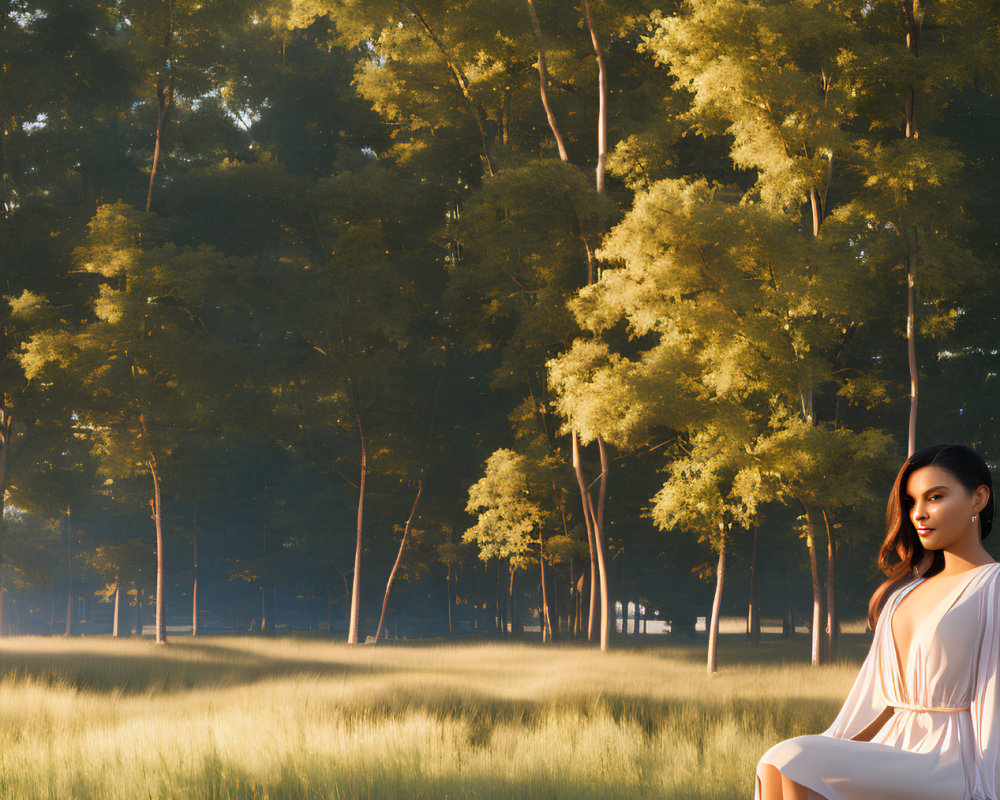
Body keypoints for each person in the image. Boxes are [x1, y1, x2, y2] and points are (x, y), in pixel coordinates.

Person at [755, 443, 1000, 800]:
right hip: (892, 745)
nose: (919, 513)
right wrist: (833, 746)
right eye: (911, 502)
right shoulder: (904, 593)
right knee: (776, 762)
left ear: (978, 499)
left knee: (796, 760)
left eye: (935, 497)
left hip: (950, 757)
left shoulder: (993, 586)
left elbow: (994, 699)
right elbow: (871, 697)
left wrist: (988, 786)